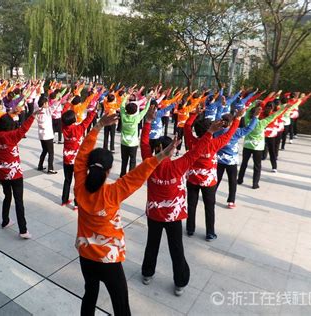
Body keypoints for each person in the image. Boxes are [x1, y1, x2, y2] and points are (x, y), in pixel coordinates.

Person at [74, 113, 175, 316]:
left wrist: (98, 126)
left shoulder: (79, 187)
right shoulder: (113, 193)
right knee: (121, 307)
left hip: (85, 256)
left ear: (87, 168)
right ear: (109, 170)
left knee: (90, 295)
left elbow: (80, 157)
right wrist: (161, 157)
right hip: (109, 261)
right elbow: (136, 176)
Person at [140, 105, 222, 296]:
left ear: (155, 150)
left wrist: (149, 121)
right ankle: (180, 283)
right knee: (176, 248)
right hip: (173, 216)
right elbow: (197, 151)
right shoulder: (179, 165)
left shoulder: (148, 163)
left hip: (154, 214)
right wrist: (209, 132)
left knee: (152, 244)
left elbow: (144, 144)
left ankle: (147, 274)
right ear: (172, 150)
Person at [184, 107, 243, 241]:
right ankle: (210, 232)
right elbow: (230, 133)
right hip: (208, 181)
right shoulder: (214, 143)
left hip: (192, 178)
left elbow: (187, 126)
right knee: (209, 207)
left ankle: (190, 229)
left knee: (191, 204)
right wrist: (237, 118)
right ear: (211, 130)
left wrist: (194, 114)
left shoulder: (191, 141)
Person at [0, 111, 36, 239]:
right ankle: (23, 230)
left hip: (1, 173)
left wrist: (10, 113)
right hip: (14, 174)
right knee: (18, 201)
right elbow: (24, 129)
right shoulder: (11, 136)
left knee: (7, 196)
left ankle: (5, 221)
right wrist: (33, 115)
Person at [237, 100, 290, 189]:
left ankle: (240, 179)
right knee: (257, 166)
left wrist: (255, 103)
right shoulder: (262, 123)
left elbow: (248, 110)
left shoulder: (247, 120)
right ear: (258, 114)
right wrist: (284, 108)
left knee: (244, 163)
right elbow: (275, 115)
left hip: (247, 145)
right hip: (258, 147)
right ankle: (255, 184)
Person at [215, 108, 260, 209]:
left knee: (216, 179)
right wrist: (255, 117)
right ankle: (231, 201)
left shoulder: (217, 131)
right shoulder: (236, 132)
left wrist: (220, 107)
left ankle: (211, 196)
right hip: (232, 161)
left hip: (218, 159)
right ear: (231, 123)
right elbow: (249, 128)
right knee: (232, 181)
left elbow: (217, 117)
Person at [60, 108, 97, 210]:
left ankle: (64, 200)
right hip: (77, 161)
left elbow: (63, 115)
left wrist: (67, 103)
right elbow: (87, 120)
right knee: (78, 183)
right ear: (73, 119)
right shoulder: (79, 129)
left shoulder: (64, 128)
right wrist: (94, 111)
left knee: (67, 180)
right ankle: (76, 204)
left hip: (66, 159)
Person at [119, 97, 150, 177]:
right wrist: (149, 100)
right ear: (136, 111)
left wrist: (126, 96)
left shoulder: (123, 116)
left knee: (124, 160)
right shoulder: (137, 118)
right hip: (133, 144)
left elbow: (121, 105)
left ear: (126, 110)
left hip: (123, 142)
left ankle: (122, 175)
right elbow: (145, 110)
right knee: (133, 160)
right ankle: (130, 176)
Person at [37, 95, 57, 174]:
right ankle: (50, 168)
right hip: (48, 135)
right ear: (44, 103)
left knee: (44, 150)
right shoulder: (47, 111)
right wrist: (57, 99)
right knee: (51, 152)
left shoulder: (38, 111)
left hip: (41, 135)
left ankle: (40, 165)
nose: (48, 104)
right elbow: (55, 106)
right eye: (47, 103)